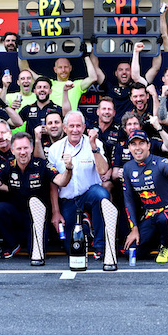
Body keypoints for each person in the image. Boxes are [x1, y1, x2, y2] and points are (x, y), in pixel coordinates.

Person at [0, 131, 71, 263]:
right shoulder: (9, 165)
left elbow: (61, 181)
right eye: (19, 149)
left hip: (39, 218)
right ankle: (13, 244)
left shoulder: (42, 164)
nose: (23, 152)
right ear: (12, 150)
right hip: (18, 215)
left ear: (31, 148)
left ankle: (33, 240)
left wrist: (69, 169)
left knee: (35, 253)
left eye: (26, 148)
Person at [50, 111, 112, 259]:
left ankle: (100, 245)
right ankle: (85, 224)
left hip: (89, 194)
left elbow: (103, 170)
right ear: (65, 128)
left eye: (78, 126)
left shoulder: (95, 144)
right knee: (70, 248)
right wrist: (55, 211)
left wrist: (93, 147)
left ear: (84, 127)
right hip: (68, 200)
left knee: (102, 195)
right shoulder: (55, 149)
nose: (75, 130)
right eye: (71, 126)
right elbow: (52, 184)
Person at [121, 131, 168, 263]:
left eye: (141, 143)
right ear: (129, 148)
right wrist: (134, 229)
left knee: (165, 217)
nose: (138, 148)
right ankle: (156, 243)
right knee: (131, 251)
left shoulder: (160, 162)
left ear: (148, 145)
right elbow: (128, 200)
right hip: (150, 216)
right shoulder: (127, 168)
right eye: (133, 144)